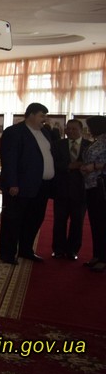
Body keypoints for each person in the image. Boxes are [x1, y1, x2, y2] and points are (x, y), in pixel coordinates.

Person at [0, 102, 55, 264]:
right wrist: (12, 183)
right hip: (19, 186)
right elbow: (9, 159)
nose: (45, 119)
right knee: (13, 220)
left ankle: (26, 250)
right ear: (31, 115)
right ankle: (7, 254)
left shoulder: (45, 133)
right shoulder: (14, 132)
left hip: (41, 186)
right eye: (42, 115)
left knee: (34, 219)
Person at [50, 119, 91, 260]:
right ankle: (58, 249)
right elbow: (53, 163)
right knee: (59, 221)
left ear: (81, 130)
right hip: (61, 190)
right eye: (68, 128)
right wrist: (69, 166)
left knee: (77, 222)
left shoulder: (89, 146)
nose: (70, 131)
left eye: (74, 129)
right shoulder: (57, 145)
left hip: (81, 191)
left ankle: (73, 250)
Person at [80, 116, 106, 272]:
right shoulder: (97, 140)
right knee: (95, 223)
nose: (88, 130)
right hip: (91, 186)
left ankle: (103, 258)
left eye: (90, 126)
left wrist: (95, 166)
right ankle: (97, 254)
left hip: (101, 187)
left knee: (102, 223)